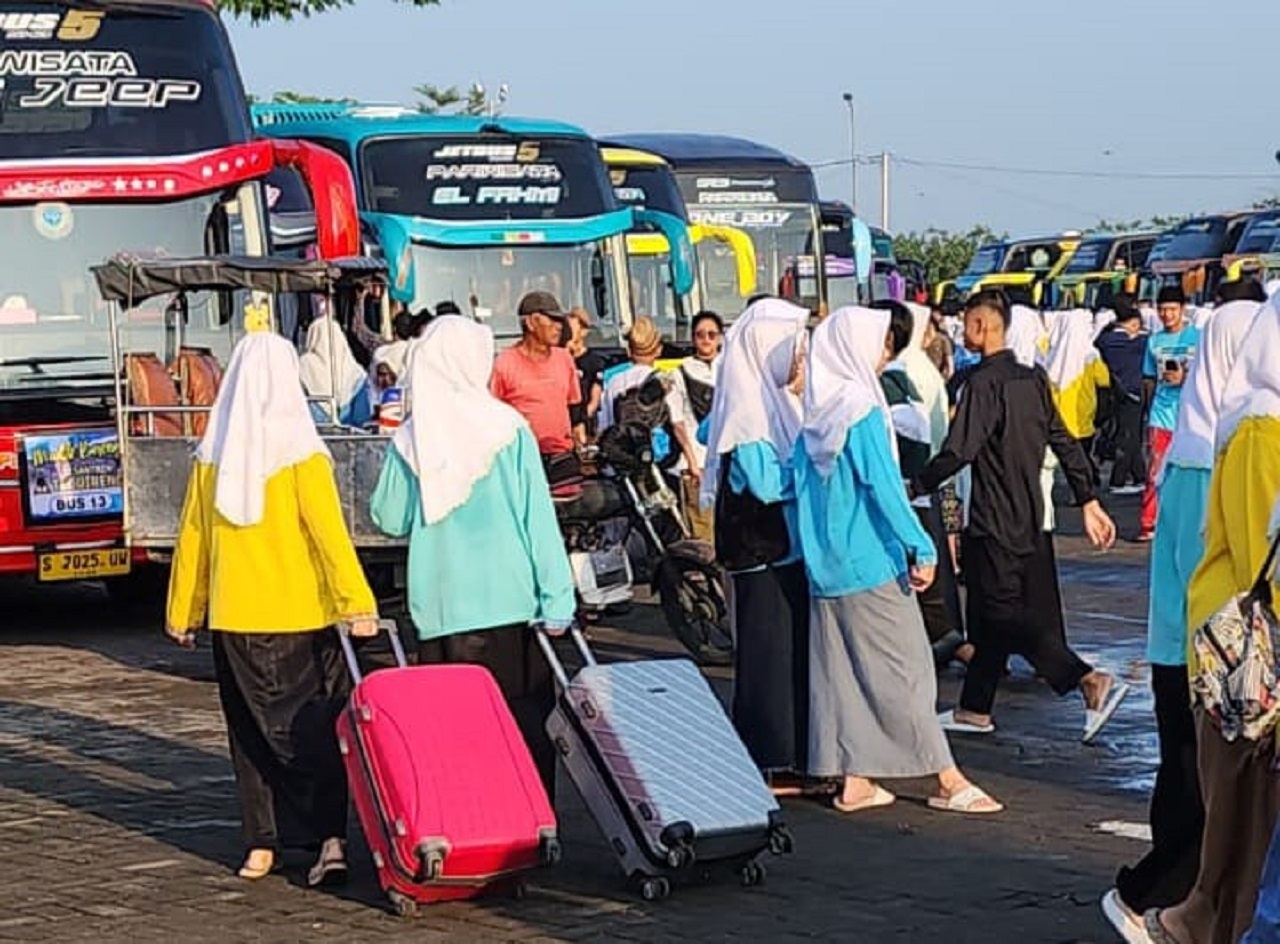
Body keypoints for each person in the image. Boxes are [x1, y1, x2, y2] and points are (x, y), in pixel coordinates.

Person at [165, 332, 378, 887]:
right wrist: (357, 604)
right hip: (302, 616)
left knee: (251, 736)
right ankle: (328, 839)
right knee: (312, 733)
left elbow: (194, 539)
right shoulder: (303, 453)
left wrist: (184, 610)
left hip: (236, 617)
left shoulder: (213, 456)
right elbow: (330, 537)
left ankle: (263, 844)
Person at [794, 305, 1001, 816]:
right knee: (908, 668)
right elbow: (884, 486)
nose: (885, 351)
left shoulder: (815, 417)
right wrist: (921, 544)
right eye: (881, 341)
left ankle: (855, 779)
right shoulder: (862, 409)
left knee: (841, 674)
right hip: (870, 560)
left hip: (826, 567)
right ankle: (947, 777)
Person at [1101, 295, 1264, 940]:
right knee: (1206, 801)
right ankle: (1147, 900)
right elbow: (1220, 562)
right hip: (1209, 654)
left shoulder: (1192, 443)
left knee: (1187, 786)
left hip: (1179, 644)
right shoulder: (1219, 454)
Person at [369, 317, 576, 797]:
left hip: (441, 611)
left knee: (454, 734)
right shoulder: (510, 428)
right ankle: (529, 819)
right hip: (513, 605)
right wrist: (558, 599)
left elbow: (389, 517)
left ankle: (469, 821)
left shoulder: (414, 438)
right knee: (522, 727)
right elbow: (538, 520)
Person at [909, 290, 1128, 742]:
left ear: (980, 326)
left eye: (968, 323)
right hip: (1028, 514)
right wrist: (1088, 498)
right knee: (991, 616)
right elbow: (1063, 440)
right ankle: (974, 709)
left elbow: (959, 450)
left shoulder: (982, 384)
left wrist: (915, 486)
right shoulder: (1032, 379)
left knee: (1002, 614)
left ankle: (1084, 677)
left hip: (993, 518)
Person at [1145, 295, 1280, 944]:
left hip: (1223, 658)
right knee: (1243, 826)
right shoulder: (1262, 427)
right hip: (1250, 665)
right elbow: (1263, 563)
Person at [700, 298, 812, 796]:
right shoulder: (749, 413)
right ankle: (770, 757)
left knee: (783, 651)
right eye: (793, 350)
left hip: (780, 551)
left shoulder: (769, 402)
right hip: (761, 553)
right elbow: (765, 485)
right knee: (768, 657)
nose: (799, 360)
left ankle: (788, 754)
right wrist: (809, 475)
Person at [876, 301, 964, 663]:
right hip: (934, 479)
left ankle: (952, 647)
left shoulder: (895, 376)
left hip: (916, 483)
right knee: (937, 572)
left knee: (924, 581)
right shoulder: (917, 370)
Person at [1138, 286, 1200, 542]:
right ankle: (1149, 521)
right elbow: (1148, 378)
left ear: (1182, 309)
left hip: (1191, 414)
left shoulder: (1198, 337)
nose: (1167, 315)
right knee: (1156, 470)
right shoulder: (1154, 341)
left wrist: (1185, 378)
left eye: (1172, 309)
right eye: (1162, 310)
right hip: (1161, 414)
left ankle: (1188, 519)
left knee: (1190, 470)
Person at [490, 291, 585, 458]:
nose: (559, 326)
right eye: (552, 320)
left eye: (560, 320)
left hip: (562, 457)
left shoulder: (564, 358)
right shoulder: (504, 363)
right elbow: (492, 414)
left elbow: (575, 408)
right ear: (531, 322)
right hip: (522, 458)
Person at [669, 310, 723, 542]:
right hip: (696, 462)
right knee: (702, 529)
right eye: (700, 335)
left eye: (712, 335)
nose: (706, 340)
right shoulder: (679, 372)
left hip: (725, 461)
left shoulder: (729, 367)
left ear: (720, 338)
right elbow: (677, 420)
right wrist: (691, 461)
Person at [1044, 307, 1111, 479]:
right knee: (1081, 457)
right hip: (1084, 417)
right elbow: (1104, 382)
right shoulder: (1091, 355)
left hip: (1058, 419)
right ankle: (1088, 482)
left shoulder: (1052, 355)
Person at [1096, 296, 1150, 494]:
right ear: (1134, 322)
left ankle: (1139, 476)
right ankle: (1118, 480)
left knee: (1129, 435)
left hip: (1117, 392)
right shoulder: (1139, 343)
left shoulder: (1106, 340)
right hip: (1135, 392)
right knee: (1130, 437)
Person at [299, 305, 373, 427]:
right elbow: (362, 418)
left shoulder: (304, 366)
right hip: (350, 434)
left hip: (315, 432)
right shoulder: (355, 372)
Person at [565, 307, 604, 435]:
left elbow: (595, 398)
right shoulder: (560, 360)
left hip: (585, 425)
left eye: (571, 330)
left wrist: (581, 420)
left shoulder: (594, 361)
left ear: (583, 331)